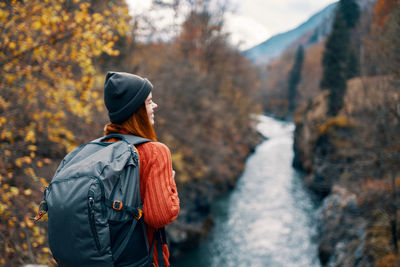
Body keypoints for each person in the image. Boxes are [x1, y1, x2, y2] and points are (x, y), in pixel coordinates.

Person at [103, 71, 180, 267]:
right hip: (140, 260)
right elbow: (161, 216)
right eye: (149, 102)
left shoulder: (101, 148)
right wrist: (170, 183)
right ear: (136, 110)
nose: (155, 106)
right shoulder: (155, 152)